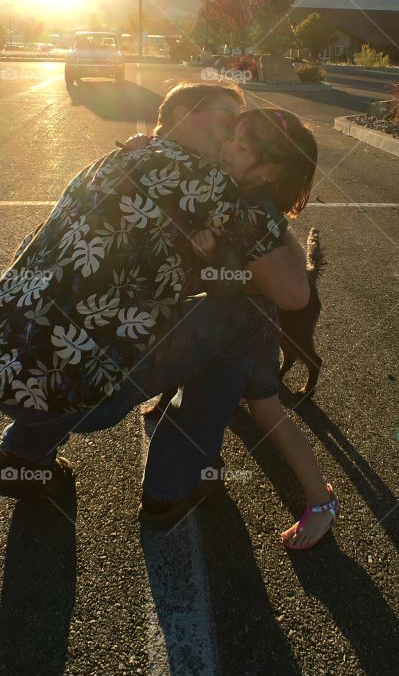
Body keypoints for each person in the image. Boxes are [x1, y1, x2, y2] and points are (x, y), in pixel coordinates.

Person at [0, 81, 311, 526]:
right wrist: (266, 203)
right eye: (226, 121)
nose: (231, 140)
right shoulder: (210, 183)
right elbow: (294, 293)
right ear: (182, 112)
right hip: (76, 390)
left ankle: (23, 457)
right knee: (248, 315)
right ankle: (174, 484)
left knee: (74, 316)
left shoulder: (113, 159)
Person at [134, 107, 339, 550]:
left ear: (267, 171)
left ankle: (320, 504)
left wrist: (208, 256)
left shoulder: (254, 210)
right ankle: (313, 499)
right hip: (241, 321)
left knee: (268, 413)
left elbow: (243, 279)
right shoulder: (238, 192)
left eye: (242, 147)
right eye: (232, 138)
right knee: (264, 411)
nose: (228, 148)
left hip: (252, 323)